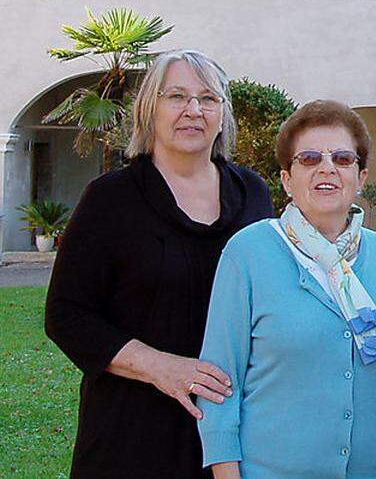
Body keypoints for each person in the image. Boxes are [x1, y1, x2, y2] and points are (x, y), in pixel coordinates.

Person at [44, 50, 273, 478]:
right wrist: (162, 367)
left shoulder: (253, 194)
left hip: (236, 431)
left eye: (208, 99)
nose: (193, 110)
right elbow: (66, 314)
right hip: (132, 432)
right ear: (149, 109)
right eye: (177, 96)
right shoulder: (109, 199)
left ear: (223, 115)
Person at [197, 100, 376, 478]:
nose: (327, 167)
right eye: (310, 158)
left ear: (361, 176)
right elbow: (219, 385)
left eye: (343, 159)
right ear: (287, 179)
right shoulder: (248, 253)